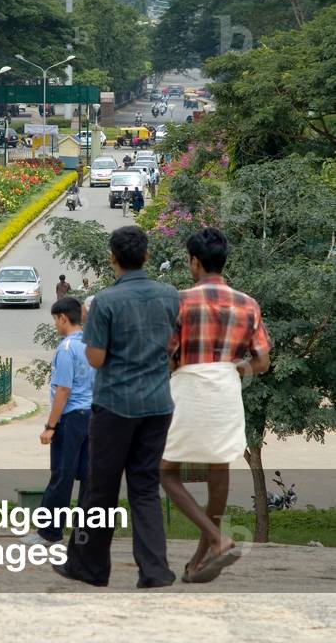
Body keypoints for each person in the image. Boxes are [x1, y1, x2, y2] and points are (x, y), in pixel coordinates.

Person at [55, 225, 179, 589]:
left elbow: (95, 358)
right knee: (144, 487)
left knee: (101, 490)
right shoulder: (170, 295)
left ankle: (90, 568)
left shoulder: (105, 302)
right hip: (157, 404)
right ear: (147, 256)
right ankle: (156, 570)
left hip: (115, 406)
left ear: (113, 258)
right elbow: (173, 346)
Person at [160, 227, 272, 584]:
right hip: (226, 388)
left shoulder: (179, 301)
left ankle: (217, 539)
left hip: (189, 387)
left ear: (194, 263)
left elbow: (168, 356)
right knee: (219, 466)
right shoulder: (247, 303)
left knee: (165, 471)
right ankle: (200, 558)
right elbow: (262, 362)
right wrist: (240, 367)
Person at [24, 296, 94, 547]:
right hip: (93, 416)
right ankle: (86, 534)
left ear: (63, 318)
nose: (55, 324)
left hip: (71, 418)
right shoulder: (92, 343)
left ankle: (49, 532)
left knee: (61, 477)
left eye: (56, 319)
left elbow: (63, 390)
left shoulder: (66, 349)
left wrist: (50, 426)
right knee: (88, 478)